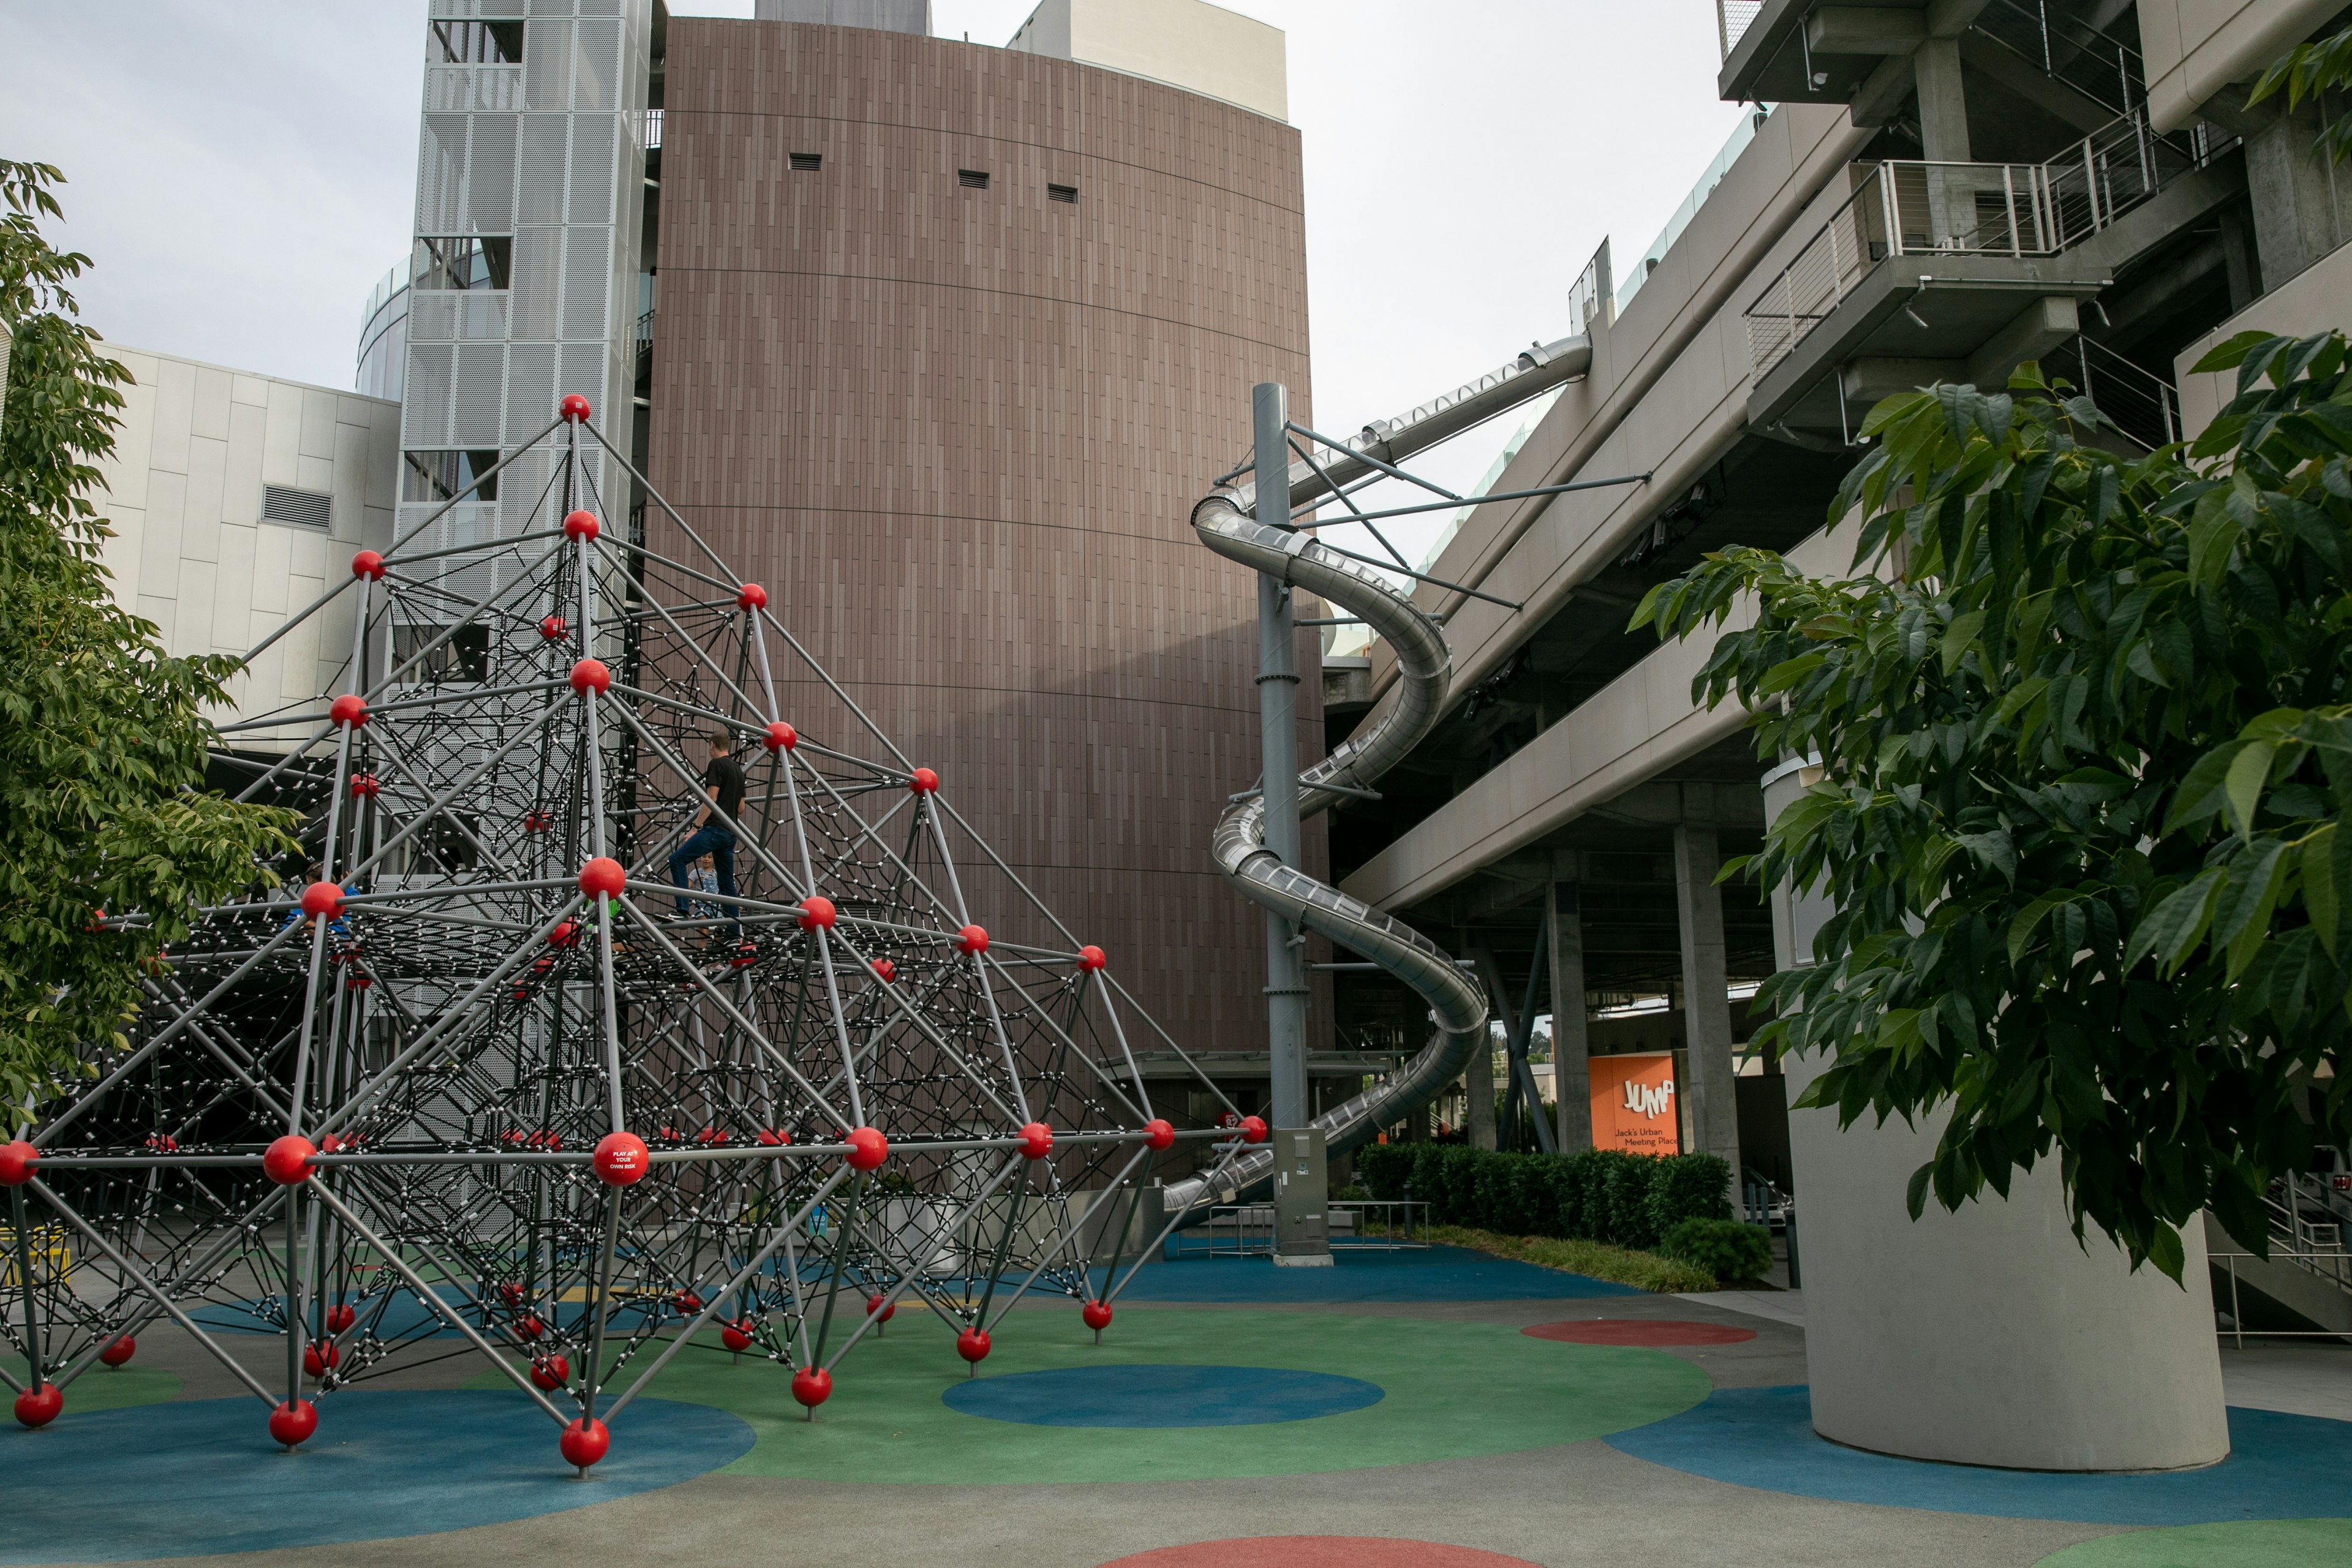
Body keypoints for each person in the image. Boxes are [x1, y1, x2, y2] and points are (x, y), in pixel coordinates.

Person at [669, 729, 744, 929]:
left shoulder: (716, 764)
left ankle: (682, 910)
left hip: (715, 829)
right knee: (727, 884)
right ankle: (733, 934)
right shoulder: (738, 770)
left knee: (677, 859)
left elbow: (711, 799)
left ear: (712, 745)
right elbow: (741, 808)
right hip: (730, 833)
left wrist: (695, 827)